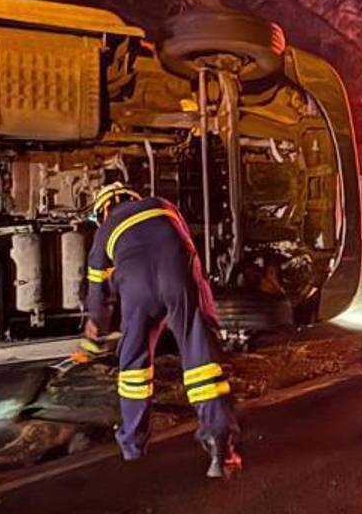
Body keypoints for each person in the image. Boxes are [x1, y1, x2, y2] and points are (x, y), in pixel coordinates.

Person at [74, 182, 241, 477]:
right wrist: (203, 319)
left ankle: (132, 443)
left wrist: (95, 327)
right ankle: (219, 443)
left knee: (134, 365)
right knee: (201, 361)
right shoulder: (161, 205)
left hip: (137, 291)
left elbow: (97, 293)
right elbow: (188, 254)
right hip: (177, 279)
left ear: (104, 209)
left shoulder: (105, 229)